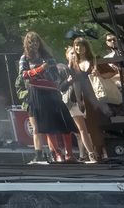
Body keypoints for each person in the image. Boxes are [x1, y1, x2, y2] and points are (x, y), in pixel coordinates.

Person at [18, 32, 78, 162]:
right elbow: (23, 75)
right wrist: (40, 70)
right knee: (47, 125)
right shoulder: (25, 58)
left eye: (37, 41)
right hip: (36, 93)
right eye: (31, 42)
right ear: (27, 44)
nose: (35, 44)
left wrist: (47, 72)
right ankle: (57, 154)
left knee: (64, 121)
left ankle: (69, 154)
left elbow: (56, 76)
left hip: (52, 91)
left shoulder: (48, 57)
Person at [65, 36, 115, 163]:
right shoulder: (73, 63)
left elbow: (111, 72)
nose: (78, 48)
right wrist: (78, 99)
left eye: (81, 45)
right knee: (88, 127)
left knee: (100, 124)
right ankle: (95, 153)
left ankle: (105, 152)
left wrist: (100, 74)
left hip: (96, 96)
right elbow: (74, 82)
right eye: (76, 46)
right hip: (82, 97)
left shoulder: (94, 59)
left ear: (86, 47)